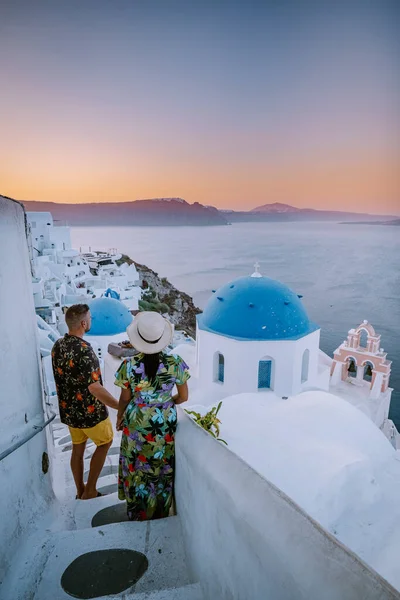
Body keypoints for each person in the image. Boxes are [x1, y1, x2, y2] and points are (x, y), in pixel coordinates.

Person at [115, 311, 190, 521]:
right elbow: (184, 397)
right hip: (163, 422)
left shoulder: (128, 366)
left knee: (137, 465)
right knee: (161, 466)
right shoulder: (176, 362)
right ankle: (159, 510)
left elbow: (124, 398)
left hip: (136, 419)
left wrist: (119, 416)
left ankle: (137, 511)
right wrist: (165, 403)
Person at [52, 303, 119, 499]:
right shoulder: (85, 350)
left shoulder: (58, 345)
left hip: (70, 411)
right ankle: (90, 490)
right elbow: (94, 387)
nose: (91, 321)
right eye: (89, 318)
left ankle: (80, 489)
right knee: (105, 442)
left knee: (77, 449)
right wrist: (119, 405)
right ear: (83, 323)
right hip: (90, 413)